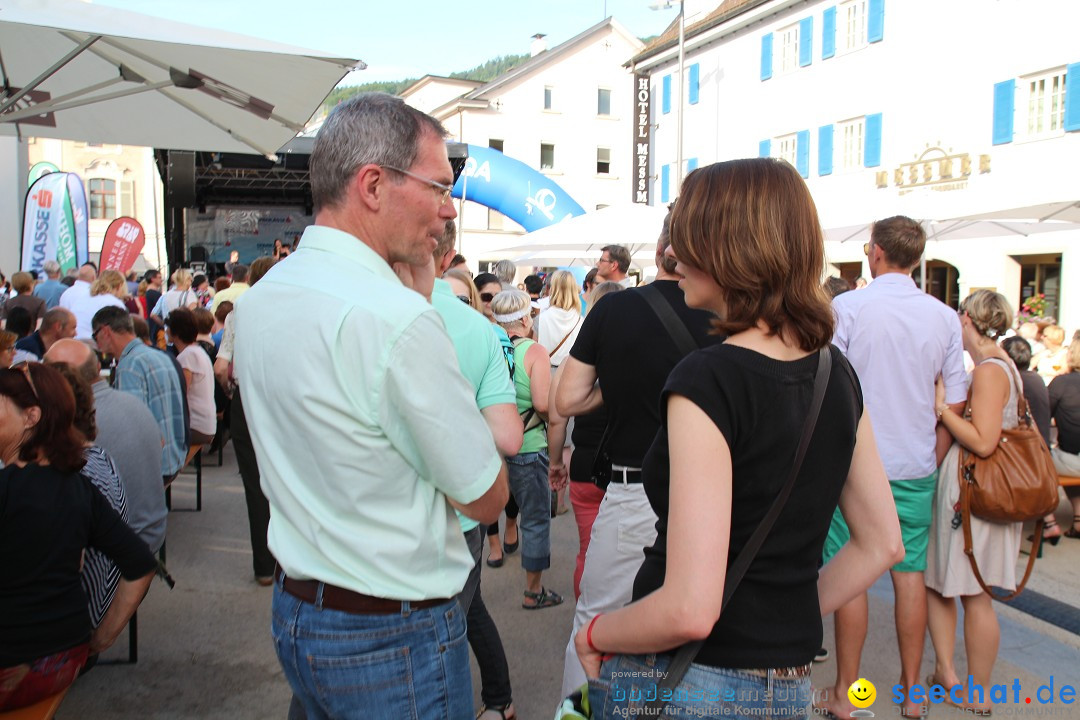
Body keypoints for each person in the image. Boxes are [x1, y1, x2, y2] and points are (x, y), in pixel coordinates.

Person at [575, 159, 903, 717]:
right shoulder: (835, 371)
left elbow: (688, 609)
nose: (675, 254)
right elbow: (882, 544)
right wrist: (782, 620)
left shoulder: (709, 378)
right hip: (786, 684)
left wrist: (598, 632)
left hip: (690, 682)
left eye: (690, 235)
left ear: (730, 247)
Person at [232, 92, 508, 719]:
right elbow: (487, 497)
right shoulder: (396, 318)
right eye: (439, 187)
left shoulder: (265, 295)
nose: (446, 210)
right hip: (392, 634)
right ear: (374, 185)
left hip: (301, 610)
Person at [559, 213, 720, 696]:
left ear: (659, 250)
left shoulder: (616, 310)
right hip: (719, 498)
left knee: (595, 623)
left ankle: (576, 714)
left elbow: (565, 400)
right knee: (700, 635)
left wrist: (620, 390)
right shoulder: (736, 316)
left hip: (636, 492)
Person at [821, 215, 968, 720]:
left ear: (876, 251)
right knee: (909, 574)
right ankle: (909, 696)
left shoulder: (848, 307)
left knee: (852, 573)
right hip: (915, 460)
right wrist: (935, 453)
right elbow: (955, 400)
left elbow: (827, 386)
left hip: (856, 462)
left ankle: (847, 691)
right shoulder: (944, 317)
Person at [0, 363, 156, 711]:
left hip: (17, 668)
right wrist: (99, 639)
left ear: (31, 417)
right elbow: (141, 564)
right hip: (66, 659)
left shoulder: (9, 488)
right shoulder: (77, 485)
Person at [926, 290, 1022, 716]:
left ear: (966, 319)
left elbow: (983, 441)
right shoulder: (1008, 367)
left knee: (957, 590)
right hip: (988, 493)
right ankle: (957, 679)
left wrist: (943, 410)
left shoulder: (988, 371)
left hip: (971, 491)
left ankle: (966, 685)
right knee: (970, 592)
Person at [45, 338, 167, 553]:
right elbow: (162, 442)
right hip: (153, 528)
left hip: (124, 545)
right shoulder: (131, 402)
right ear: (97, 368)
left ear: (59, 380)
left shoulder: (75, 421)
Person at [491, 288, 562, 610]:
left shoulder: (489, 345)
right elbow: (542, 404)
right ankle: (533, 592)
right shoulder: (534, 352)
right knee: (534, 520)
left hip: (493, 445)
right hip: (530, 446)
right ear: (523, 318)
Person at [214, 256, 277, 585]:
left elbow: (220, 367)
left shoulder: (240, 308)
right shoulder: (292, 307)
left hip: (246, 400)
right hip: (284, 402)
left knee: (255, 486)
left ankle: (264, 567)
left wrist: (228, 391)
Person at [91, 306, 188, 482]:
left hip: (154, 465)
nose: (96, 344)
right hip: (173, 456)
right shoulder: (159, 356)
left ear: (105, 331)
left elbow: (132, 427)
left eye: (95, 336)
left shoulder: (131, 364)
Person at [165, 308, 217, 451]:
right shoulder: (197, 351)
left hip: (195, 425)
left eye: (168, 327)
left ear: (175, 332)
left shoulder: (187, 357)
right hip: (205, 423)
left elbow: (181, 395)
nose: (166, 331)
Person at [1047, 331, 1080, 540]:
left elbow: (1041, 416)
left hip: (1072, 460)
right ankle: (1077, 519)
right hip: (1073, 459)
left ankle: (1048, 521)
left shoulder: (1061, 383)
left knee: (1037, 457)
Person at [59, 263, 98, 339]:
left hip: (66, 336)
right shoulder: (92, 294)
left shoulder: (66, 293)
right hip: (87, 338)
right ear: (93, 278)